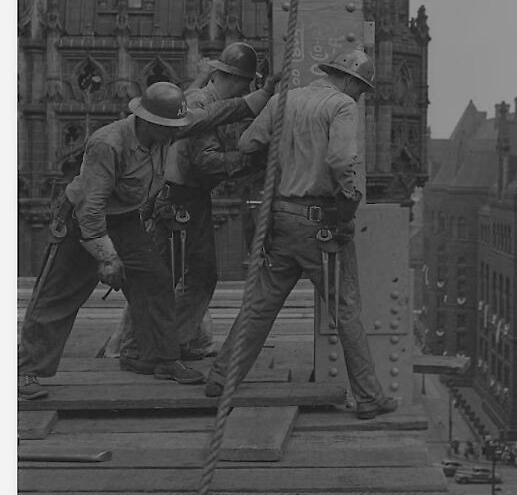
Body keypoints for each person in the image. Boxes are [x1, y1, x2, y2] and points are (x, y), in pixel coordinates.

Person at [18, 80, 273, 400]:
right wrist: (107, 257)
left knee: (155, 281)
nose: (174, 134)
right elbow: (91, 207)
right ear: (149, 121)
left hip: (125, 220)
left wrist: (263, 96)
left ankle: (164, 359)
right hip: (82, 224)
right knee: (57, 296)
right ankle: (26, 371)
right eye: (168, 128)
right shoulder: (108, 143)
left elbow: (214, 114)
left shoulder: (165, 129)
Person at [205, 49, 398, 421]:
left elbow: (247, 144)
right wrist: (349, 198)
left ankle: (220, 378)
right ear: (351, 81)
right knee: (346, 311)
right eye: (361, 89)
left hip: (280, 219)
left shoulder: (283, 99)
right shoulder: (341, 106)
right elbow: (342, 160)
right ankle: (369, 397)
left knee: (259, 307)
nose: (359, 96)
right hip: (320, 224)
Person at [116, 43, 278, 367]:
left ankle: (178, 340)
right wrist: (252, 159)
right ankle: (136, 348)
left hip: (190, 199)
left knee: (200, 276)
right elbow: (204, 162)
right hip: (179, 201)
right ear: (233, 79)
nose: (247, 90)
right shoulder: (201, 103)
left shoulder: (204, 99)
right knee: (163, 277)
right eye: (246, 84)